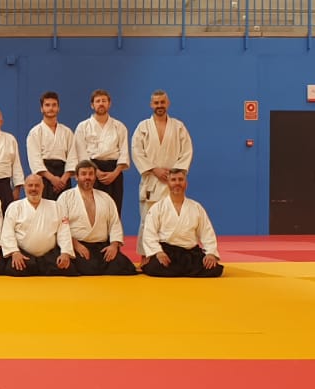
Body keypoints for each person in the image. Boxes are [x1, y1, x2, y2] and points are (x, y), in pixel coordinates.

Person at [131, 90, 194, 252]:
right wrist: (154, 169)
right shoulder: (143, 127)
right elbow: (137, 151)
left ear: (168, 103)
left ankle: (171, 254)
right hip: (151, 182)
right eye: (156, 103)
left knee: (171, 220)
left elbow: (187, 151)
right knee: (147, 221)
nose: (159, 105)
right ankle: (146, 256)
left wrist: (175, 174)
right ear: (151, 105)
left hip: (172, 183)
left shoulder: (178, 126)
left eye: (162, 102)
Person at [53, 160, 137, 276]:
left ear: (95, 176)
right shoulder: (66, 197)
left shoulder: (105, 197)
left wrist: (113, 246)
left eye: (91, 174)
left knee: (124, 265)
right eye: (83, 174)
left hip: (101, 247)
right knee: (85, 267)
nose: (87, 177)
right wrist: (76, 245)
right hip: (77, 245)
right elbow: (61, 226)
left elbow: (115, 223)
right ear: (76, 177)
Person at [140, 169, 223, 278]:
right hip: (167, 252)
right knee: (155, 267)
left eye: (180, 179)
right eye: (173, 180)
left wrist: (211, 253)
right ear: (168, 183)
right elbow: (149, 234)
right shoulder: (158, 207)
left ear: (186, 183)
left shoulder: (196, 207)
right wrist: (158, 252)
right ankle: (184, 271)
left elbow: (207, 232)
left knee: (214, 269)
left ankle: (180, 270)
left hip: (190, 253)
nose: (177, 183)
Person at [1, 175, 76, 277]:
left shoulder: (56, 206)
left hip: (50, 256)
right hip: (24, 255)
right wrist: (14, 252)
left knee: (67, 268)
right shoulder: (14, 207)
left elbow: (64, 232)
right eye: (30, 185)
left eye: (37, 185)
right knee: (14, 269)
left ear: (42, 187)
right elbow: (7, 232)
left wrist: (65, 253)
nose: (33, 188)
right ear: (24, 187)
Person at [74, 88, 130, 215]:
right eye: (98, 101)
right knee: (92, 210)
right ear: (92, 105)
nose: (101, 104)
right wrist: (95, 172)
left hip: (114, 170)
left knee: (114, 210)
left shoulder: (119, 126)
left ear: (109, 104)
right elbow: (81, 153)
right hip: (91, 170)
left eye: (104, 101)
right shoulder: (83, 127)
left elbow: (124, 153)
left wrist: (115, 173)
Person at [27, 91, 77, 199]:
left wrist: (63, 179)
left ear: (58, 108)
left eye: (54, 105)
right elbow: (35, 160)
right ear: (42, 109)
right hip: (44, 176)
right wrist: (52, 179)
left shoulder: (67, 132)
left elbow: (72, 157)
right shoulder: (35, 132)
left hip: (64, 176)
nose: (51, 108)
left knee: (65, 207)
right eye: (47, 105)